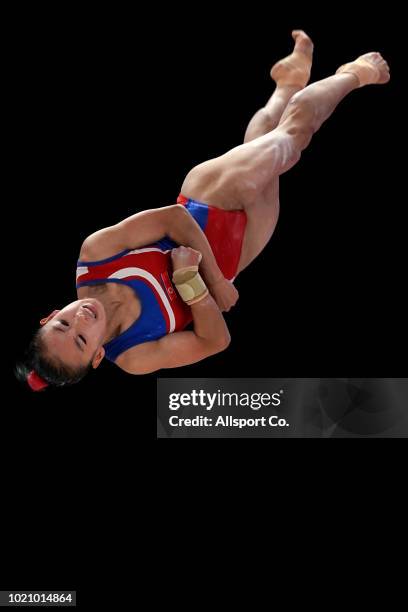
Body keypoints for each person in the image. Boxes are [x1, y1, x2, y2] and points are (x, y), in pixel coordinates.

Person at [16, 30, 390, 389]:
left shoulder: (95, 255)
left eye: (62, 325)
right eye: (81, 340)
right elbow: (214, 341)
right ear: (98, 356)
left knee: (291, 141)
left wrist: (208, 281)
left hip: (208, 199)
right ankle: (288, 82)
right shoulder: (134, 356)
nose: (79, 319)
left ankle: (354, 73)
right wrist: (191, 287)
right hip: (239, 251)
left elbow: (175, 219)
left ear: (50, 315)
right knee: (265, 139)